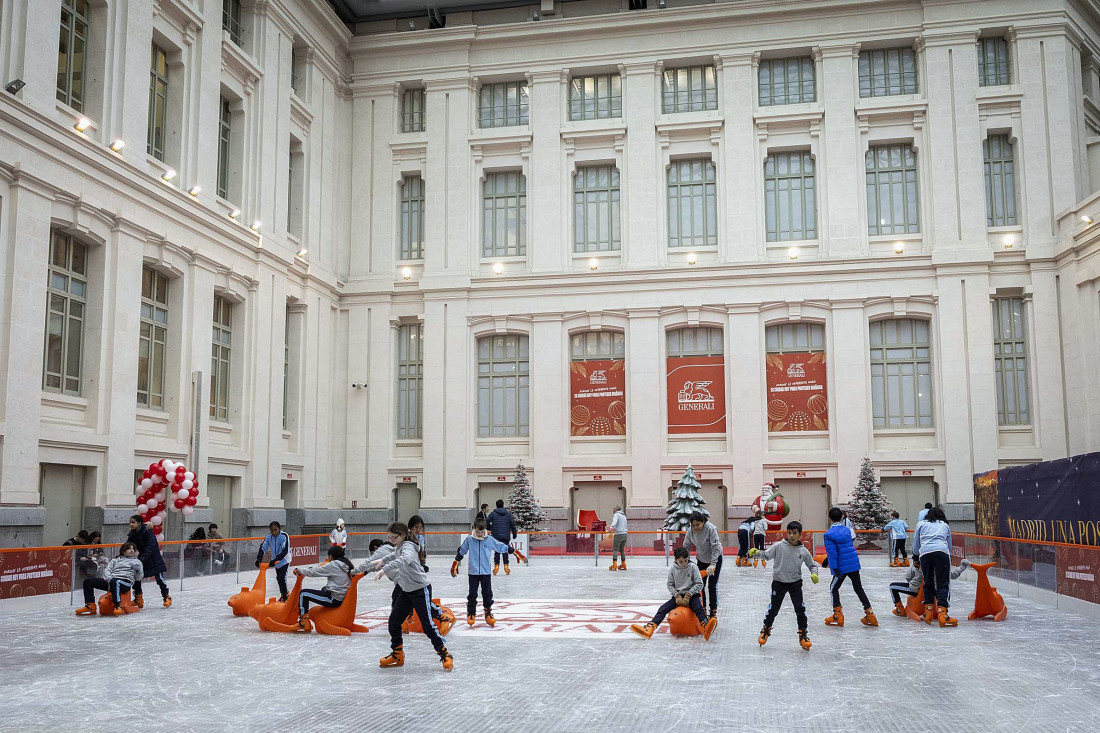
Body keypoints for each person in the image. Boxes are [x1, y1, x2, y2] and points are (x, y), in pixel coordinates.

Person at [368, 522, 454, 671]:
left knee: (428, 626)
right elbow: (395, 554)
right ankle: (397, 654)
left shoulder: (408, 546)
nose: (391, 540)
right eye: (389, 537)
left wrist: (385, 569)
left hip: (420, 589)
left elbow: (405, 559)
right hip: (405, 589)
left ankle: (444, 653)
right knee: (394, 621)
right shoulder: (400, 546)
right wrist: (383, 560)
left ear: (402, 535)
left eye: (393, 537)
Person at [752, 521, 819, 649]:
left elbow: (812, 565)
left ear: (800, 535)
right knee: (773, 609)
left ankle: (803, 634)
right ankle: (766, 630)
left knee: (800, 609)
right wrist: (756, 552)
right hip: (779, 583)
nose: (791, 535)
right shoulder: (778, 546)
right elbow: (766, 555)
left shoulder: (803, 551)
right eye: (789, 533)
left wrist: (814, 574)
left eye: (794, 533)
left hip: (795, 584)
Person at [629, 547, 717, 640]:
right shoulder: (673, 569)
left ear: (688, 558)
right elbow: (670, 584)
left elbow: (699, 584)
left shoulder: (693, 567)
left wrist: (689, 594)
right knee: (663, 608)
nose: (683, 564)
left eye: (685, 561)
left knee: (698, 608)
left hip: (692, 595)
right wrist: (677, 595)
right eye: (681, 561)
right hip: (678, 595)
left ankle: (705, 626)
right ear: (675, 560)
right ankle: (650, 627)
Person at [452, 517, 527, 626]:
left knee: (487, 594)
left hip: (486, 572)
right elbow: (462, 551)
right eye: (478, 532)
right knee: (472, 594)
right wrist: (456, 562)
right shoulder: (469, 539)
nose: (480, 534)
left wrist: (514, 551)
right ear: (474, 528)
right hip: (473, 572)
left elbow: (500, 546)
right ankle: (471, 613)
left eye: (482, 532)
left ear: (485, 530)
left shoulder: (489, 539)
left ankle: (488, 613)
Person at [823, 506, 876, 628]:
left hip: (841, 565)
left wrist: (834, 568)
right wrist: (827, 561)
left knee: (833, 588)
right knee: (859, 589)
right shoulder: (847, 531)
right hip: (853, 563)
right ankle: (870, 614)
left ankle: (838, 615)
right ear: (841, 517)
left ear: (829, 518)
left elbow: (833, 552)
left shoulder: (829, 534)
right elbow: (845, 547)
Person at [292, 546, 357, 631]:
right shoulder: (346, 564)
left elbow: (315, 572)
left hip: (334, 598)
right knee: (324, 589)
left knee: (303, 594)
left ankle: (304, 622)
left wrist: (299, 570)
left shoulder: (334, 565)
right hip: (342, 596)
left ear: (331, 556)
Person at [912, 506, 957, 626]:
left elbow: (916, 543)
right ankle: (943, 613)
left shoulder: (921, 524)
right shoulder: (944, 525)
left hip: (925, 553)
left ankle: (928, 611)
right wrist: (949, 556)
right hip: (942, 553)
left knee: (928, 581)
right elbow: (949, 544)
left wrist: (916, 556)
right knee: (943, 582)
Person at [75, 542, 145, 616]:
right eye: (129, 548)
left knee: (115, 581)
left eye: (133, 549)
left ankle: (118, 605)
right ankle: (90, 605)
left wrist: (137, 571)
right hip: (111, 581)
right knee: (88, 581)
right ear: (123, 551)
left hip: (125, 583)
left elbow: (139, 578)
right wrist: (109, 579)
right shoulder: (115, 560)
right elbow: (107, 570)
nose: (131, 550)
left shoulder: (137, 562)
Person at [890, 557, 970, 617]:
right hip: (934, 592)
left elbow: (908, 577)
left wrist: (914, 584)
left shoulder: (915, 564)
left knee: (892, 587)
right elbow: (953, 575)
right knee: (945, 590)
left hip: (914, 590)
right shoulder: (939, 566)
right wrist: (962, 566)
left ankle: (899, 609)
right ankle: (943, 611)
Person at [682, 510, 723, 619]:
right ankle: (702, 609)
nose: (695, 527)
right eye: (693, 525)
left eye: (698, 525)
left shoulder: (711, 529)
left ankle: (713, 611)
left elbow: (715, 548)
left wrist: (713, 564)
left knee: (712, 586)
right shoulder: (690, 531)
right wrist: (685, 562)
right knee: (700, 585)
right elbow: (686, 546)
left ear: (703, 522)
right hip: (701, 559)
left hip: (715, 559)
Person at [127, 515, 172, 608]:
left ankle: (166, 597)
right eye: (130, 522)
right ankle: (138, 598)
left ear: (139, 523)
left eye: (133, 522)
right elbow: (127, 545)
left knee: (159, 579)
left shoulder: (148, 532)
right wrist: (122, 555)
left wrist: (141, 559)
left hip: (154, 559)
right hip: (143, 559)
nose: (131, 524)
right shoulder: (132, 533)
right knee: (136, 577)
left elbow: (150, 546)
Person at [255, 521, 291, 602]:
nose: (274, 532)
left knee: (282, 577)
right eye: (272, 530)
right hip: (276, 560)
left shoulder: (284, 536)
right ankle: (283, 594)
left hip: (284, 559)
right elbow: (263, 547)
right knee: (278, 578)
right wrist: (259, 559)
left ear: (279, 529)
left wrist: (275, 560)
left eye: (275, 530)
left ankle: (286, 595)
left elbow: (284, 550)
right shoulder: (269, 537)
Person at [487, 499, 517, 575]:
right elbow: (512, 524)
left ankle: (496, 567)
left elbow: (486, 521)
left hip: (496, 536)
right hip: (505, 535)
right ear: (503, 505)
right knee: (505, 551)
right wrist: (514, 533)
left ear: (496, 505)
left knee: (497, 551)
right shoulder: (508, 514)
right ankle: (506, 567)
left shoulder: (493, 513)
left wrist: (491, 528)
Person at [608, 505, 628, 571]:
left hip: (618, 534)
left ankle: (614, 564)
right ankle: (623, 564)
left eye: (614, 509)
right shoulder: (624, 516)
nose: (613, 510)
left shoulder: (617, 515)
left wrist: (610, 528)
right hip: (625, 534)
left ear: (616, 509)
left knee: (615, 549)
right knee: (622, 550)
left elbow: (614, 522)